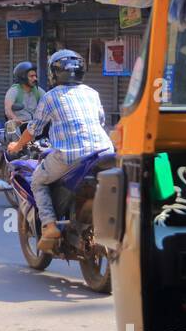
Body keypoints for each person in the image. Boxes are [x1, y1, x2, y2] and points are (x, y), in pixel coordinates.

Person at [6, 49, 114, 251]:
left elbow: (34, 129)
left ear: (54, 74)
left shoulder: (50, 97)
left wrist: (17, 145)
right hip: (104, 153)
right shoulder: (93, 93)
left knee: (38, 180)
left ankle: (49, 226)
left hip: (70, 155)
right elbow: (100, 122)